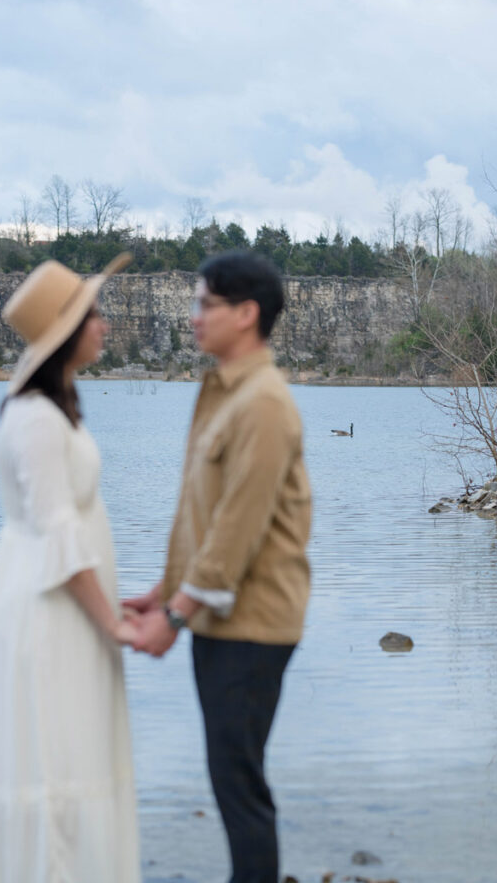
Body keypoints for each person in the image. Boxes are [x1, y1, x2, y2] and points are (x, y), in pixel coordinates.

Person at [126, 250, 311, 883]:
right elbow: (200, 514)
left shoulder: (261, 402)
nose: (194, 316)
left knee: (240, 790)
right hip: (223, 619)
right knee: (233, 781)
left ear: (246, 313)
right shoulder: (226, 392)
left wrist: (173, 619)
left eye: (205, 303)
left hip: (253, 625)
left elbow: (238, 529)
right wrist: (165, 591)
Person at [0, 255, 140, 883]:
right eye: (93, 315)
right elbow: (58, 533)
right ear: (66, 332)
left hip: (68, 608)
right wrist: (114, 624)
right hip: (47, 613)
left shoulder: (56, 407)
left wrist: (117, 609)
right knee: (56, 763)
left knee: (76, 758)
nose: (105, 324)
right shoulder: (36, 417)